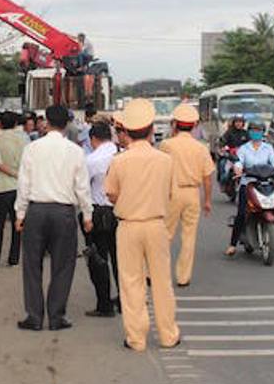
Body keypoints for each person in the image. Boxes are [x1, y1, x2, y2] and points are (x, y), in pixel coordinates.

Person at [104, 99, 179, 351]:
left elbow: (111, 194)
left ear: (125, 131)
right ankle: (168, 335)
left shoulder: (119, 161)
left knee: (131, 282)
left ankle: (136, 338)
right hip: (157, 225)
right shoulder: (165, 160)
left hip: (128, 226)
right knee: (161, 281)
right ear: (150, 130)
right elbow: (170, 193)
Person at [14, 105, 92, 331]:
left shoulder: (33, 148)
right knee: (63, 265)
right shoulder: (76, 151)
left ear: (45, 122)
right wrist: (87, 215)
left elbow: (24, 183)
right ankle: (56, 316)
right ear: (67, 123)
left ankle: (34, 316)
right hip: (64, 213)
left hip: (36, 211)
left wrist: (20, 213)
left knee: (32, 265)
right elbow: (82, 186)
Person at [160, 104, 215, 287]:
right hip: (192, 193)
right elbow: (207, 177)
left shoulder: (166, 145)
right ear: (194, 125)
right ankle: (183, 277)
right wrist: (207, 200)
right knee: (189, 237)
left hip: (172, 192)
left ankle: (157, 274)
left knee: (165, 235)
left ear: (175, 124)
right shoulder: (201, 148)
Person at [226, 121, 274, 256]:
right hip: (249, 183)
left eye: (258, 130)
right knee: (241, 214)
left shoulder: (268, 148)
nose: (255, 132)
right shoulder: (244, 149)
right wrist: (238, 169)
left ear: (263, 132)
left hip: (267, 183)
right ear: (249, 132)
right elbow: (238, 162)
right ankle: (233, 244)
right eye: (253, 130)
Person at [0, 111, 27, 269]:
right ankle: (14, 259)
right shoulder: (22, 140)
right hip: (18, 187)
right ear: (16, 124)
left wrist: (4, 174)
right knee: (18, 224)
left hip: (3, 187)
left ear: (0, 123)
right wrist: (18, 175)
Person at [84, 121, 119, 317]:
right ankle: (124, 299)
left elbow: (83, 188)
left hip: (97, 212)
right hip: (121, 213)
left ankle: (104, 303)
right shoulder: (121, 154)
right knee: (120, 260)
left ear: (93, 139)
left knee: (98, 258)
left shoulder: (91, 160)